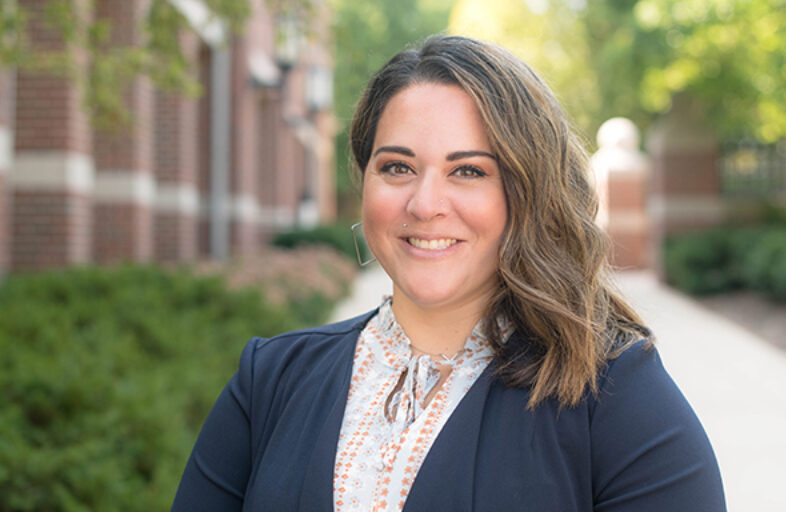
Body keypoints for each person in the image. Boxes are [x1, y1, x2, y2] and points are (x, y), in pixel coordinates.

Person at [172, 35, 726, 511]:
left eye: (467, 171)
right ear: (364, 182)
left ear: (527, 192)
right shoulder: (269, 380)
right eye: (397, 167)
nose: (425, 203)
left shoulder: (613, 393)